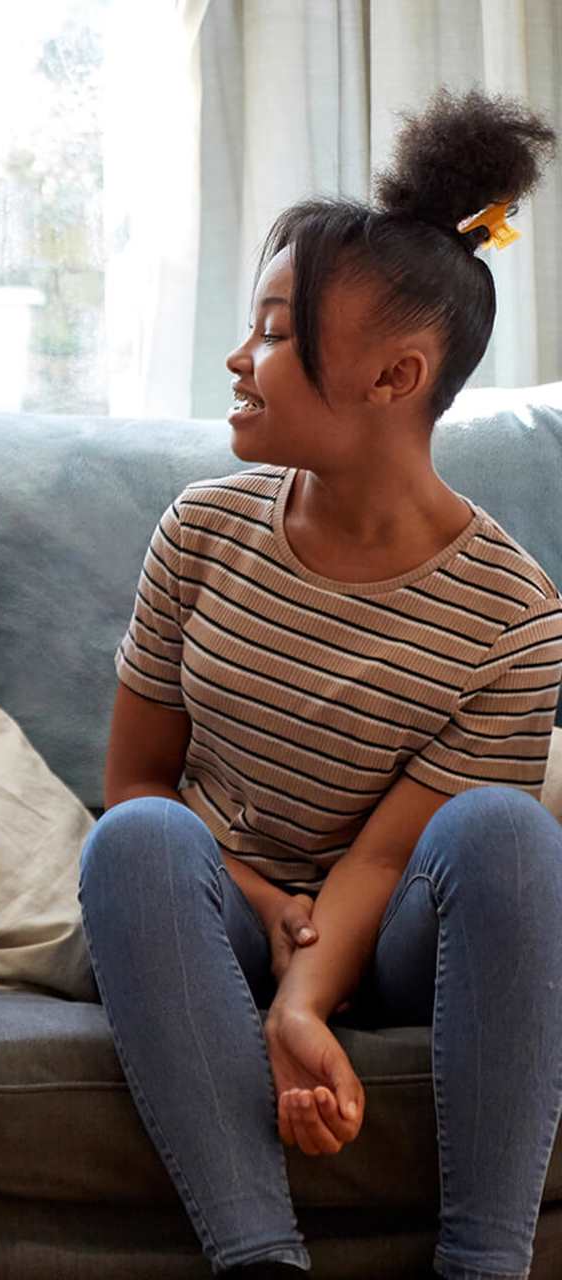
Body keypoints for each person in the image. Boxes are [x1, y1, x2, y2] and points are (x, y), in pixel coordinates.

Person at [79, 90, 562, 1280]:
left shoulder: (515, 615)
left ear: (396, 375)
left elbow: (396, 857)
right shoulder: (200, 530)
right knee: (134, 837)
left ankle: (483, 1264)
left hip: (388, 928)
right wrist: (257, 895)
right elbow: (137, 778)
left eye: (278, 333)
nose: (242, 360)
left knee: (506, 827)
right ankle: (260, 1260)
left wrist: (305, 1002)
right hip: (213, 912)